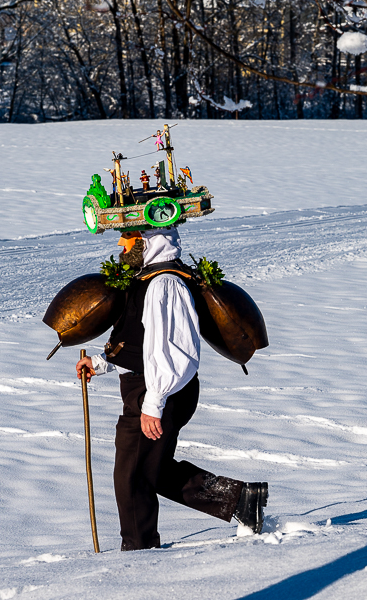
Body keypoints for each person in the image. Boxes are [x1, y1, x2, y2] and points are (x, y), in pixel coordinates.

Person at [75, 227, 268, 551]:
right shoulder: (146, 280)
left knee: (133, 477)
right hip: (152, 387)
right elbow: (140, 341)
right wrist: (101, 362)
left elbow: (174, 350)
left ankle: (139, 552)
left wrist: (154, 402)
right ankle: (241, 500)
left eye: (128, 239)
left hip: (161, 390)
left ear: (147, 242)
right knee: (153, 468)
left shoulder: (166, 284)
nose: (121, 246)